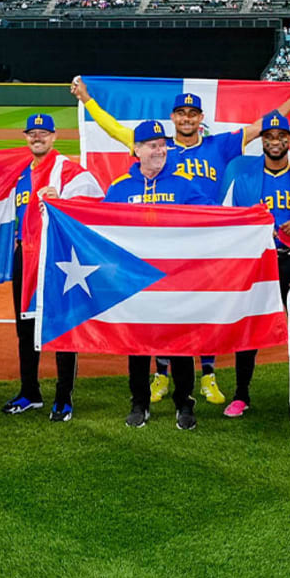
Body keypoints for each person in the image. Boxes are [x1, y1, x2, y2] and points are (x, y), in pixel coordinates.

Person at [74, 78, 290, 404]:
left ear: (200, 118)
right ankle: (161, 375)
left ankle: (208, 375)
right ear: (173, 117)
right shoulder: (157, 147)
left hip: (206, 240)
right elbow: (112, 128)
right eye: (181, 113)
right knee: (161, 308)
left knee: (202, 305)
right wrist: (87, 100)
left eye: (192, 114)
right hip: (163, 242)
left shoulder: (218, 146)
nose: (186, 119)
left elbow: (259, 128)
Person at [102, 121, 214, 428]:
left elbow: (214, 219)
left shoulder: (184, 185)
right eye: (152, 145)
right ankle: (139, 402)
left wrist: (251, 217)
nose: (160, 150)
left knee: (180, 343)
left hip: (175, 280)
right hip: (134, 281)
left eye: (163, 144)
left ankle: (185, 402)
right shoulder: (120, 188)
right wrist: (56, 205)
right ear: (136, 150)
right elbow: (97, 225)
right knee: (136, 343)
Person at [217, 112, 290, 418]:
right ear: (262, 141)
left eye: (281, 136)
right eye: (269, 137)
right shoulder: (244, 176)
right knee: (251, 327)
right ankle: (241, 394)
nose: (275, 142)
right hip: (260, 262)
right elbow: (227, 218)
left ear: (289, 139)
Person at [9, 112, 102, 419]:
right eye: (32, 133)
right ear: (26, 137)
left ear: (54, 136)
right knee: (25, 326)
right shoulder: (19, 171)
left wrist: (61, 199)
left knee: (62, 327)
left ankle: (64, 397)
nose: (37, 137)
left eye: (43, 133)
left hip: (56, 258)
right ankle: (29, 391)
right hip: (25, 257)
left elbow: (95, 203)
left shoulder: (68, 170)